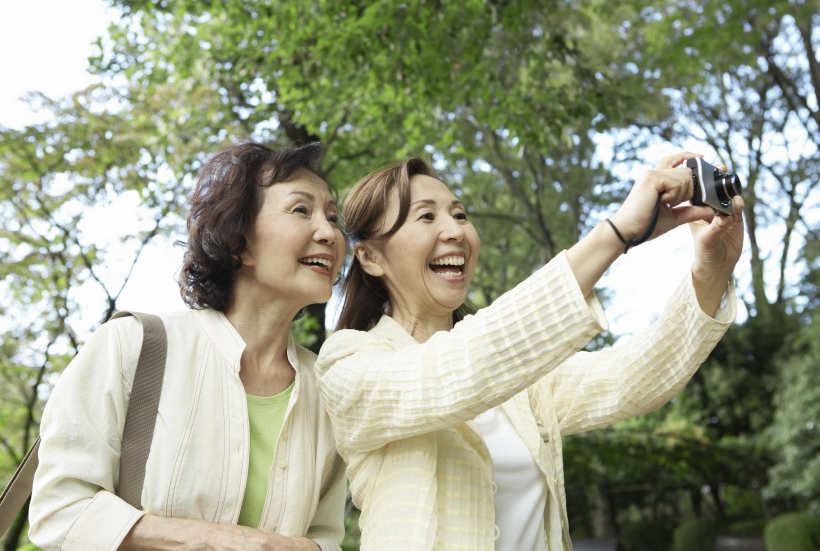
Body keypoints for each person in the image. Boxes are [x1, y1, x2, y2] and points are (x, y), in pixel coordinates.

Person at [314, 151, 743, 550]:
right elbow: (453, 370)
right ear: (370, 257)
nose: (455, 231)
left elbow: (634, 379)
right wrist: (615, 234)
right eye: (426, 217)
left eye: (460, 214)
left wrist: (710, 272)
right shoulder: (348, 363)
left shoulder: (522, 381)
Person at [29, 141, 347, 550]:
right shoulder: (132, 345)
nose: (329, 233)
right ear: (238, 241)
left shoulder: (329, 392)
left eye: (333, 217)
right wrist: (222, 541)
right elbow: (60, 511)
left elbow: (325, 534)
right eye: (301, 210)